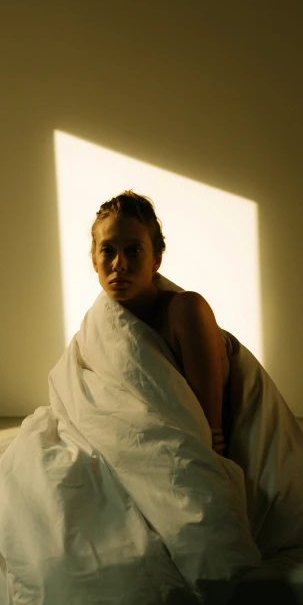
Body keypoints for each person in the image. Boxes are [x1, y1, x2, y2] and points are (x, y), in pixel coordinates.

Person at [90, 190, 231, 456]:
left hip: (185, 452)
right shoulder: (96, 328)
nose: (119, 264)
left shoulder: (186, 310)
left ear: (157, 260)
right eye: (108, 250)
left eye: (134, 251)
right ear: (95, 261)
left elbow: (212, 437)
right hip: (122, 449)